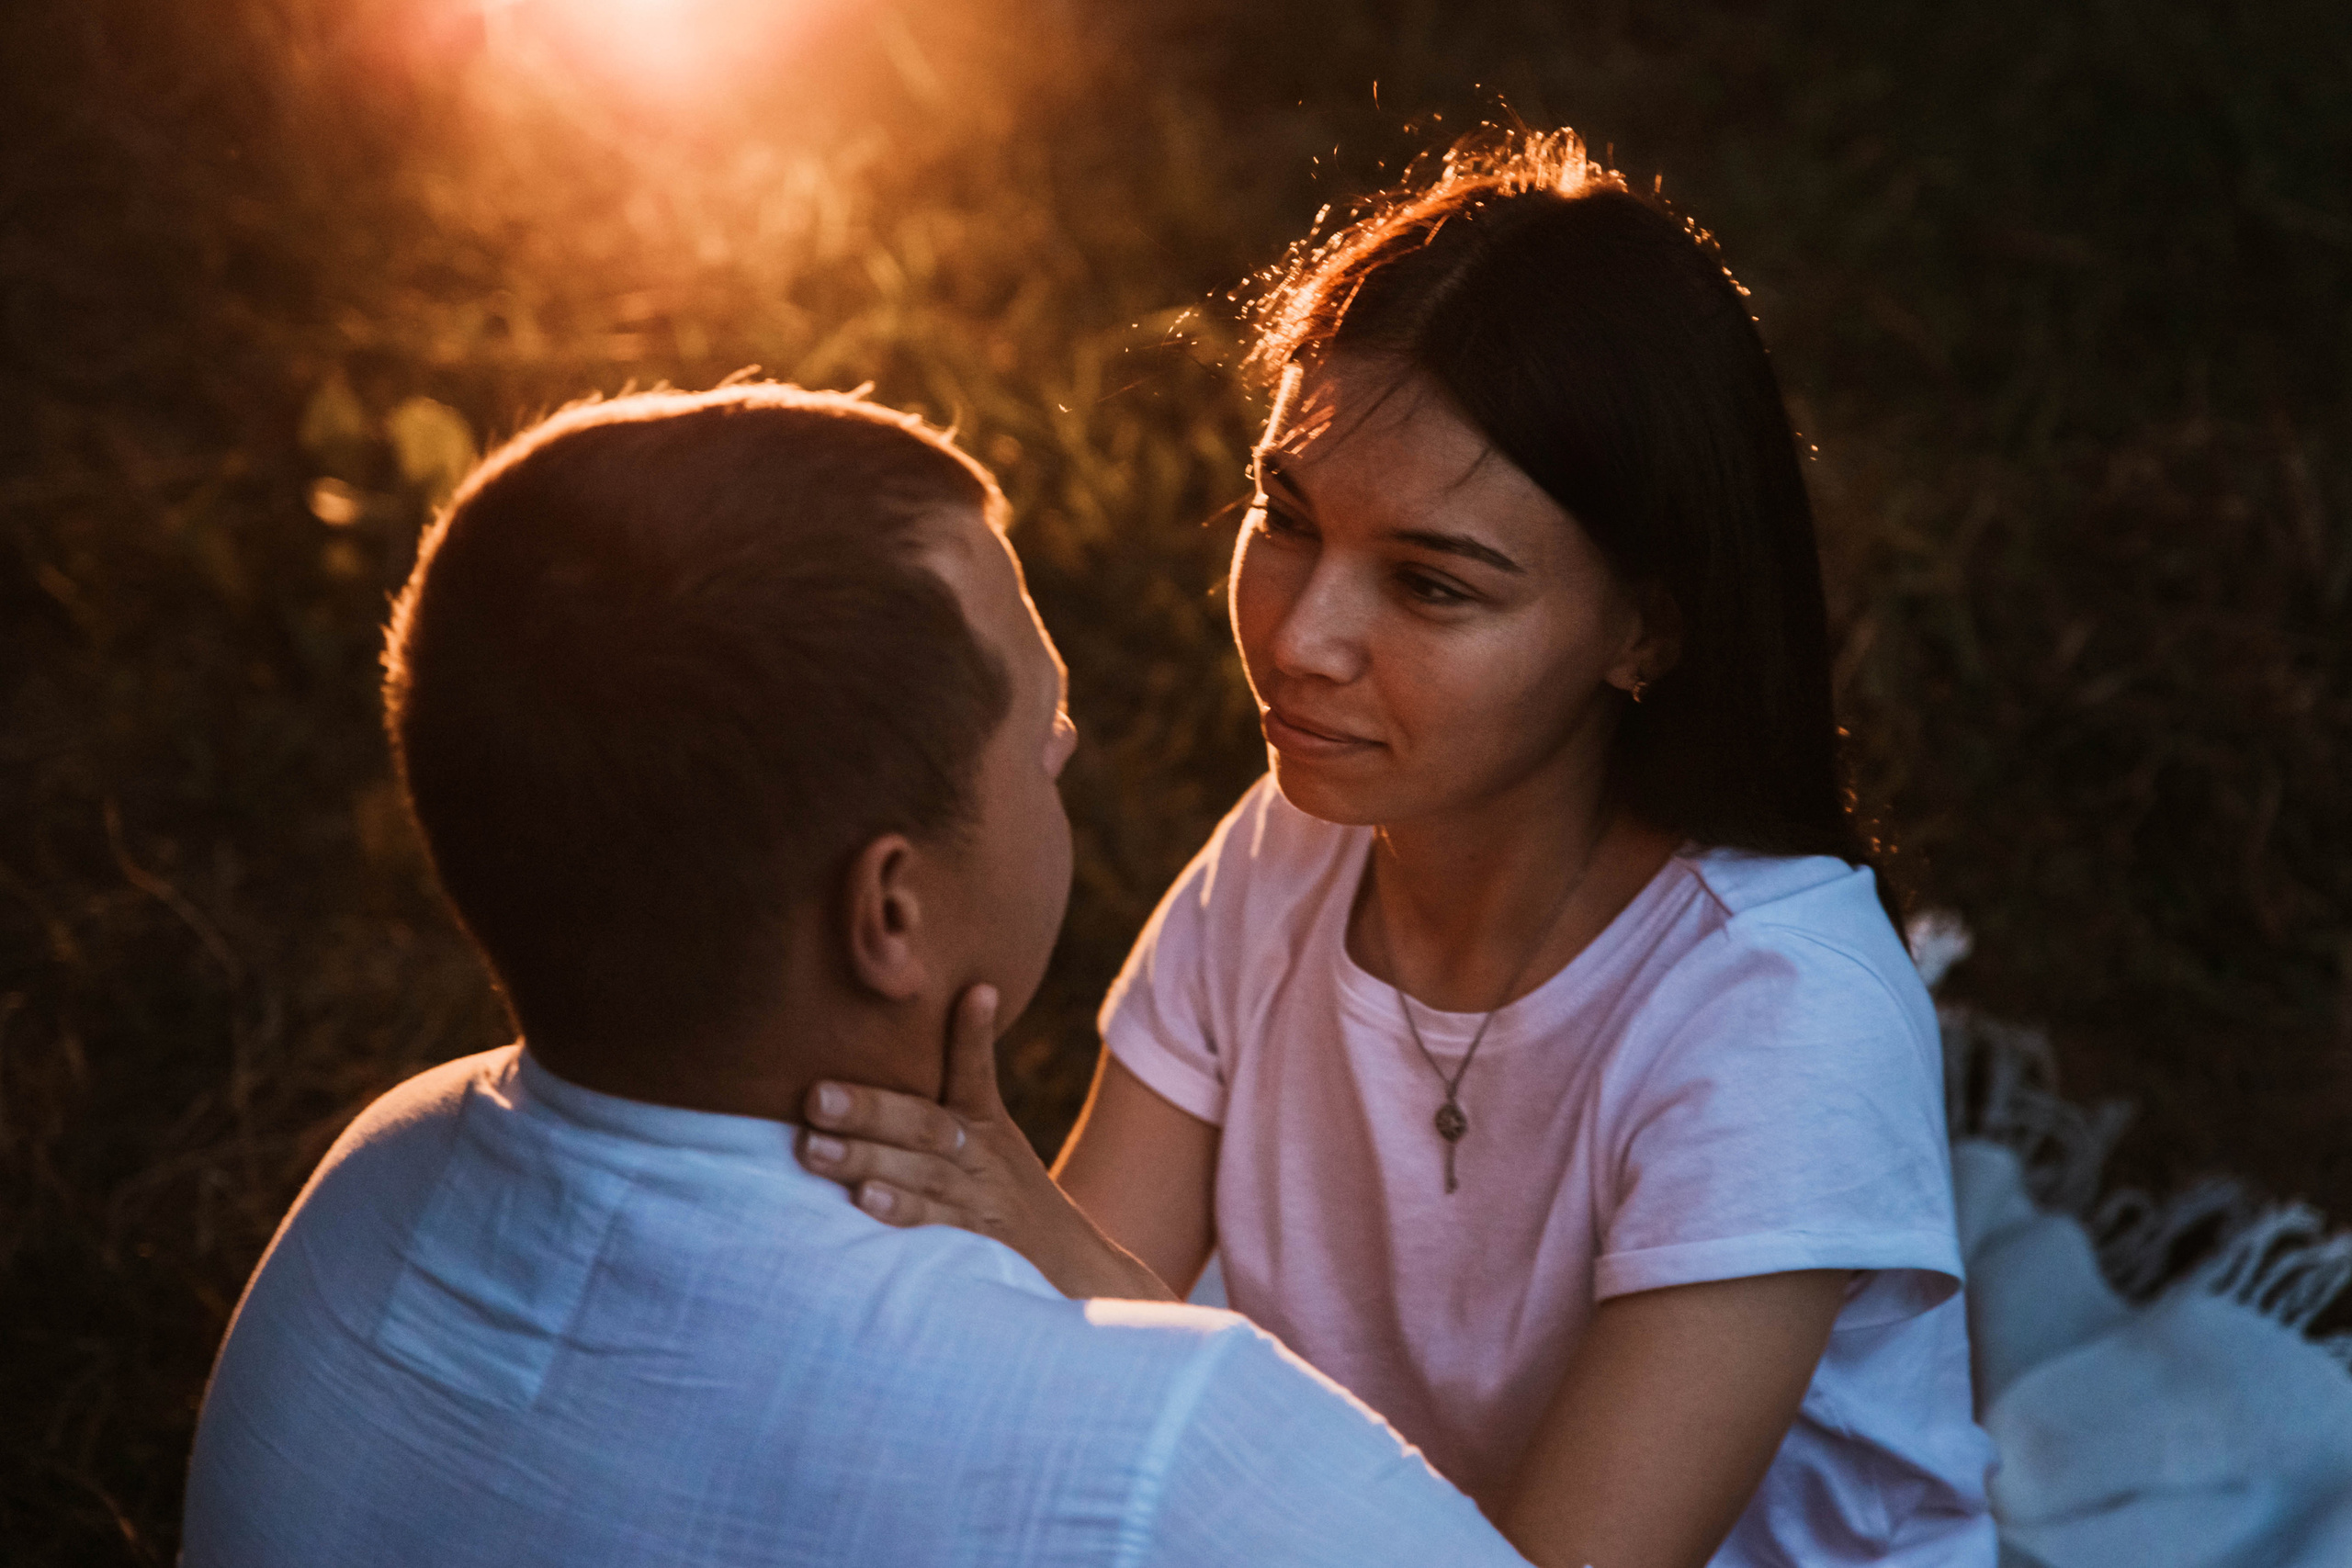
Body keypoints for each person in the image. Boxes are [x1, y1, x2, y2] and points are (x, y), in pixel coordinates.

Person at [794, 132, 1999, 1568]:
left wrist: (1048, 1265)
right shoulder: (1292, 848)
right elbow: (1065, 1357)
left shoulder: (1779, 1020)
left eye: (1431, 586)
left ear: (1645, 633)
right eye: (1284, 520)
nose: (1301, 641)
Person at [179, 385, 1532, 1567]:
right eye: (1037, 732)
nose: (1066, 752)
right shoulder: (1160, 1452)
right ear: (890, 913)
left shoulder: (368, 1192)